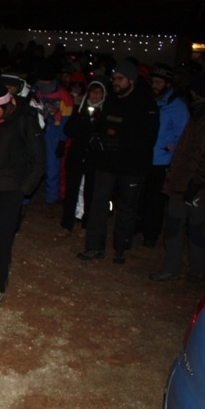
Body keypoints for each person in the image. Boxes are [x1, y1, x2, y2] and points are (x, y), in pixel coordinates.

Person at [150, 73, 205, 283]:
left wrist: (196, 186)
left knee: (196, 230)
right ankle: (172, 268)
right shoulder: (201, 113)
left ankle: (196, 271)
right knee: (174, 227)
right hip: (182, 183)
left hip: (198, 188)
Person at [78, 61, 159, 264]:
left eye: (120, 79)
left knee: (126, 207)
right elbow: (102, 127)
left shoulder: (146, 104)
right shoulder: (111, 100)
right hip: (107, 163)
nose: (115, 82)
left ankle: (121, 247)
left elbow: (147, 138)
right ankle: (94, 246)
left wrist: (118, 138)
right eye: (114, 78)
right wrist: (99, 137)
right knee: (98, 204)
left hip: (132, 167)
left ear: (131, 80)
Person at [0, 77, 46, 307]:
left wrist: (23, 190)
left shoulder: (25, 119)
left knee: (4, 235)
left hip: (12, 186)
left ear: (7, 105)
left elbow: (38, 160)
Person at [138, 63, 190, 248]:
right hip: (144, 157)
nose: (154, 85)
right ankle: (138, 226)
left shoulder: (178, 107)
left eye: (158, 82)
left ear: (168, 84)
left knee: (155, 200)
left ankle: (151, 234)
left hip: (162, 161)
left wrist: (169, 150)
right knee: (140, 196)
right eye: (153, 81)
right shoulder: (148, 101)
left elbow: (182, 137)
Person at [59, 78, 108, 236]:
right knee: (71, 191)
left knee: (90, 192)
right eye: (93, 92)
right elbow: (69, 130)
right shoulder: (80, 110)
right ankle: (67, 224)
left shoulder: (106, 113)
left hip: (94, 159)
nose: (95, 95)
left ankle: (86, 225)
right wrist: (82, 116)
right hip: (77, 156)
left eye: (99, 92)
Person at [33, 59, 74, 204]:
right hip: (36, 131)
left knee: (52, 169)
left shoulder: (64, 96)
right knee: (32, 166)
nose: (44, 84)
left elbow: (66, 121)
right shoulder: (34, 90)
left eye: (46, 81)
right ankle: (25, 201)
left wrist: (62, 140)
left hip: (54, 134)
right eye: (41, 81)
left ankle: (51, 199)